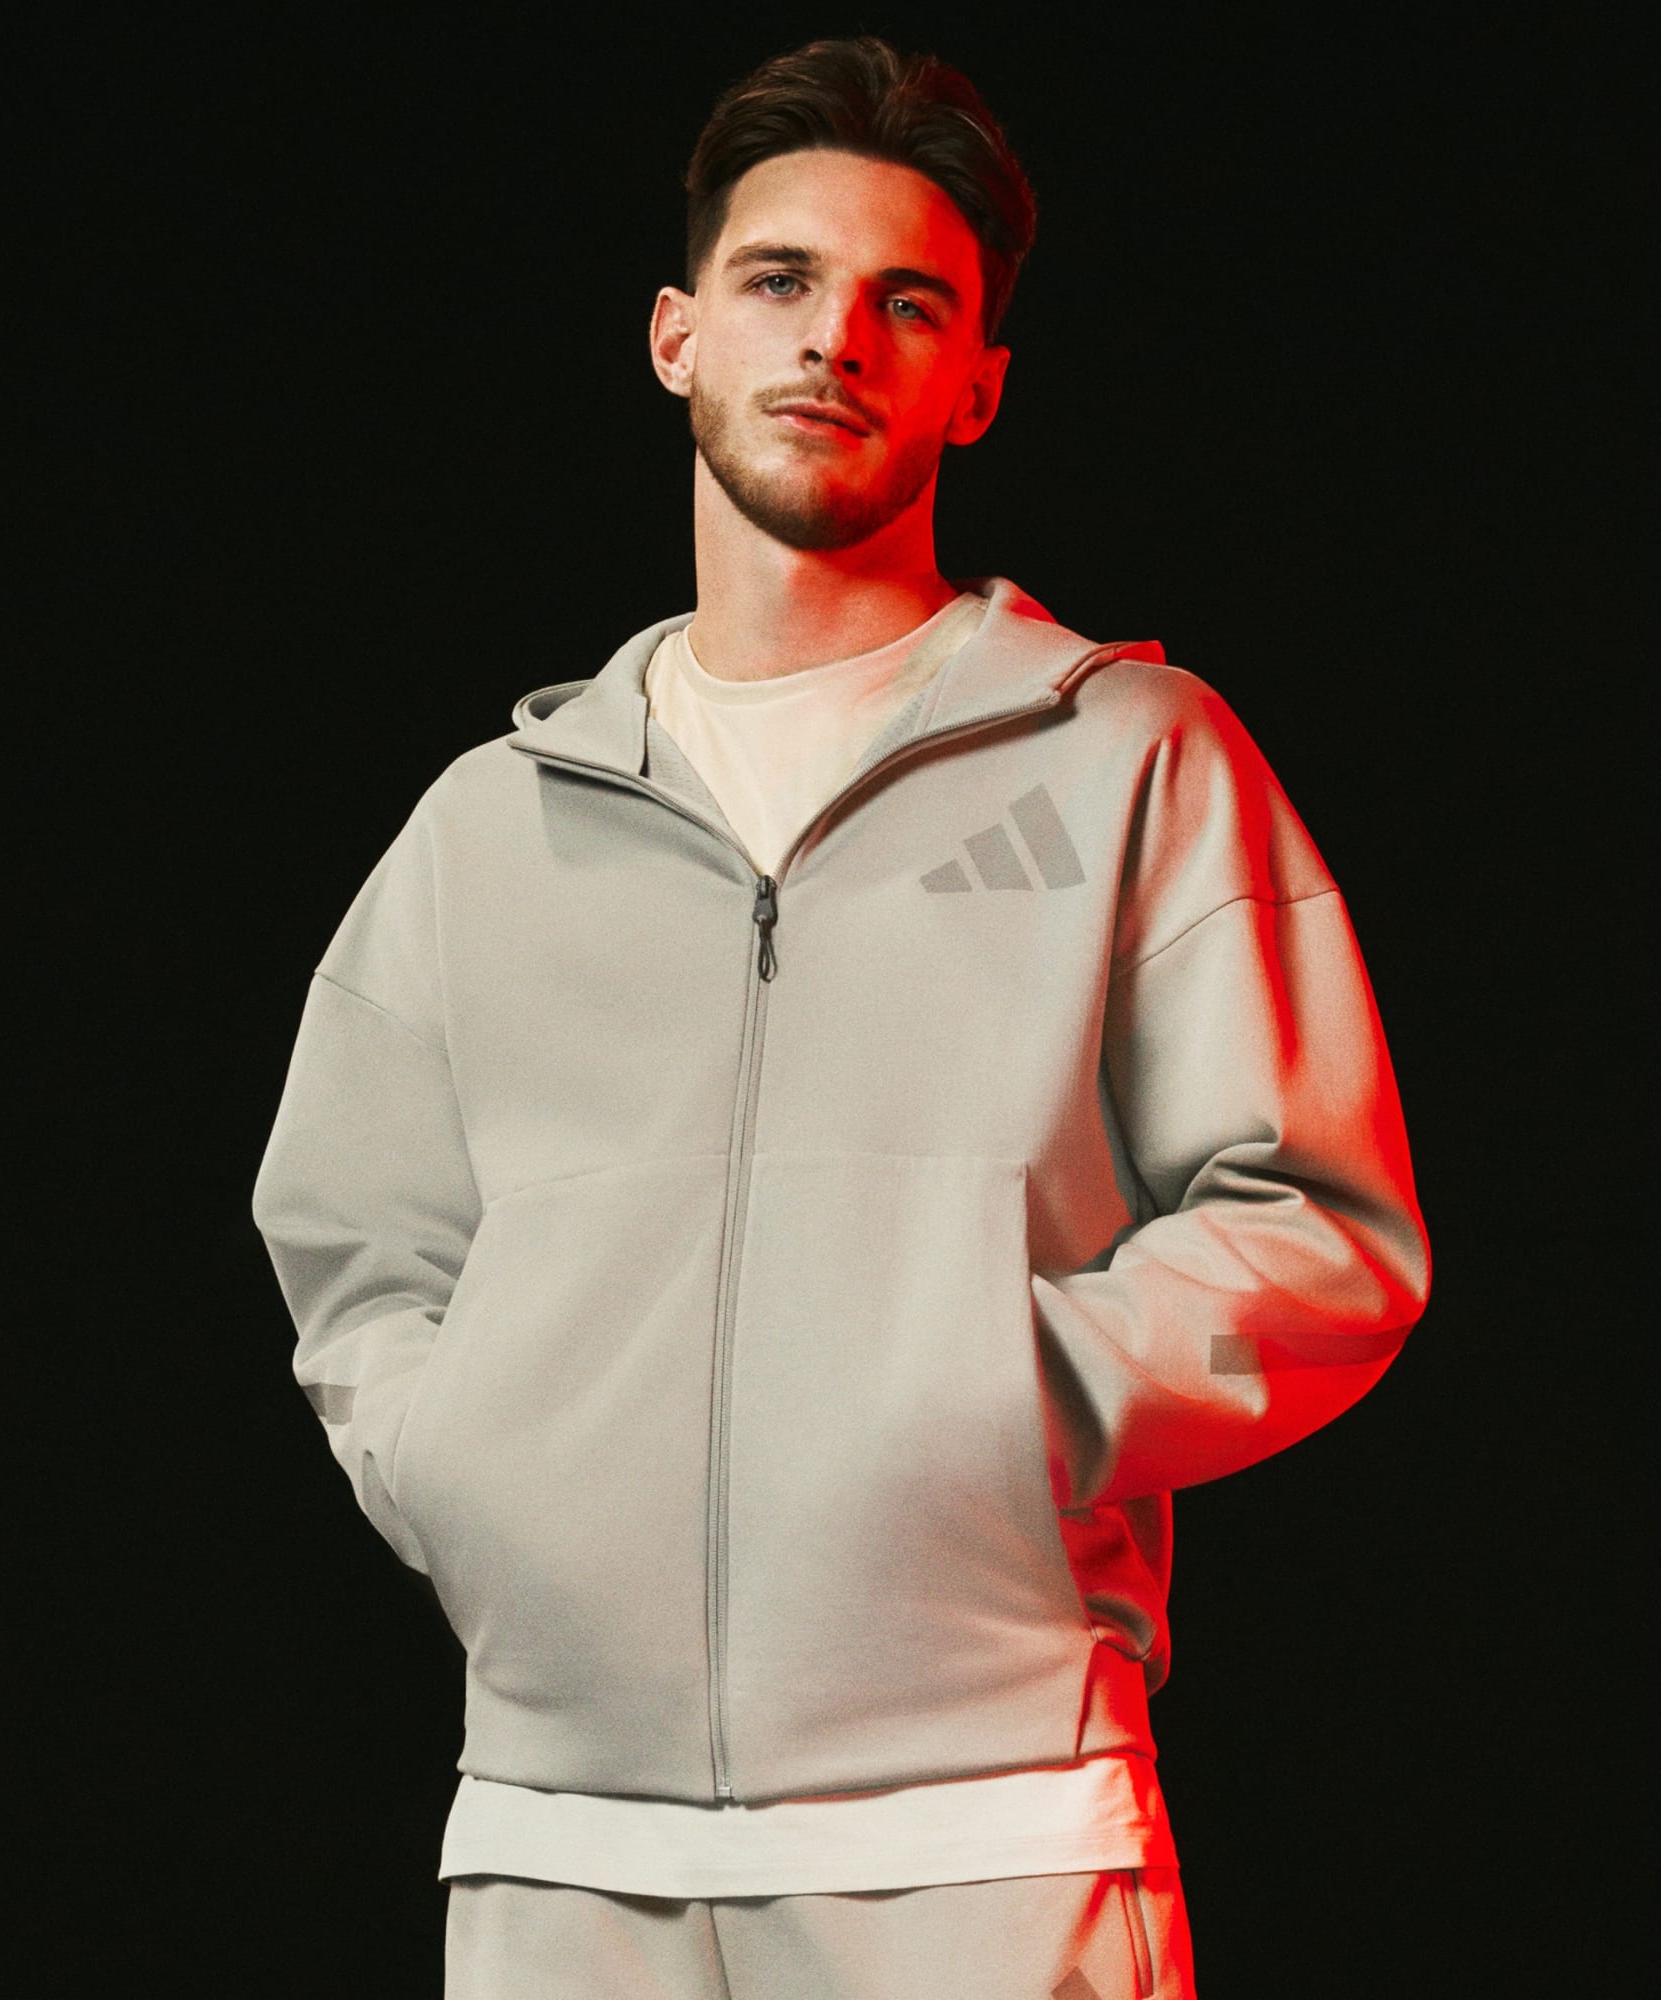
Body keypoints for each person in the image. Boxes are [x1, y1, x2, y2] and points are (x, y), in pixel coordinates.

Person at [252, 34, 1430, 1999]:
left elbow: (1323, 1227)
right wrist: (483, 1467)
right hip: (559, 1847)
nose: (835, 341)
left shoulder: (1132, 760)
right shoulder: (488, 826)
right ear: (676, 336)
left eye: (911, 303)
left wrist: (995, 1395)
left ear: (977, 383)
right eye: (779, 279)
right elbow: (355, 1250)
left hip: (988, 1833)